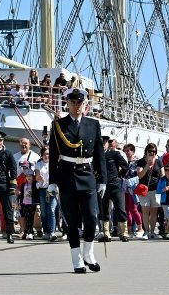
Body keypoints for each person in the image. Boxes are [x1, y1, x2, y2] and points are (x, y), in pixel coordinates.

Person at [48, 88, 107, 273]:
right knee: (71, 221)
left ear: (85, 104)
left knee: (91, 216)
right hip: (67, 175)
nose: (76, 106)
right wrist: (52, 180)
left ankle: (88, 252)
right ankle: (77, 259)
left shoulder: (93, 124)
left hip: (87, 174)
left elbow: (99, 154)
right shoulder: (59, 125)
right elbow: (53, 155)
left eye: (79, 102)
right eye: (72, 102)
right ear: (67, 103)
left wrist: (102, 179)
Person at [98, 136, 129, 242]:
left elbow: (125, 166)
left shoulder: (115, 154)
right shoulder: (97, 155)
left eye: (105, 142)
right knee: (103, 210)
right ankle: (106, 233)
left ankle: (123, 233)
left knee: (120, 209)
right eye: (102, 142)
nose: (104, 144)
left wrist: (119, 176)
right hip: (102, 186)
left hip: (115, 185)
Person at [136, 143, 163, 239]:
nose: (152, 153)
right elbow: (140, 175)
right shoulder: (141, 162)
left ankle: (152, 231)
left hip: (155, 189)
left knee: (154, 212)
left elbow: (162, 175)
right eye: (150, 151)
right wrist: (147, 165)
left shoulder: (159, 162)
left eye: (154, 151)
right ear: (146, 151)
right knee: (145, 211)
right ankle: (146, 231)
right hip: (144, 190)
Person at [34, 147, 58, 241]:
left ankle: (52, 232)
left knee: (51, 210)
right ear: (42, 155)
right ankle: (46, 231)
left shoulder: (54, 164)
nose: (46, 156)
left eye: (48, 154)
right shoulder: (38, 164)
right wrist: (38, 178)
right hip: (43, 189)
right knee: (44, 212)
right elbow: (36, 176)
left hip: (52, 189)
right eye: (44, 154)